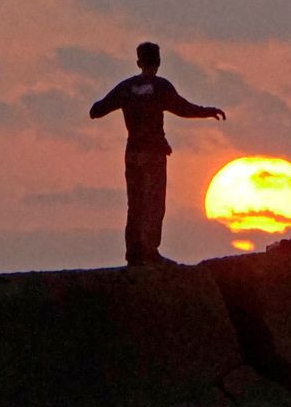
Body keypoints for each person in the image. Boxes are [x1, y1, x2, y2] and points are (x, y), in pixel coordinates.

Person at [89, 42, 226, 266]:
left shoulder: (126, 88)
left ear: (138, 62)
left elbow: (97, 110)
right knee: (153, 202)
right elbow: (183, 108)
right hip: (153, 153)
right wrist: (207, 112)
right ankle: (149, 251)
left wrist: (113, 104)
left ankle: (134, 252)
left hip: (133, 152)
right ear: (159, 62)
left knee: (135, 203)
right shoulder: (161, 87)